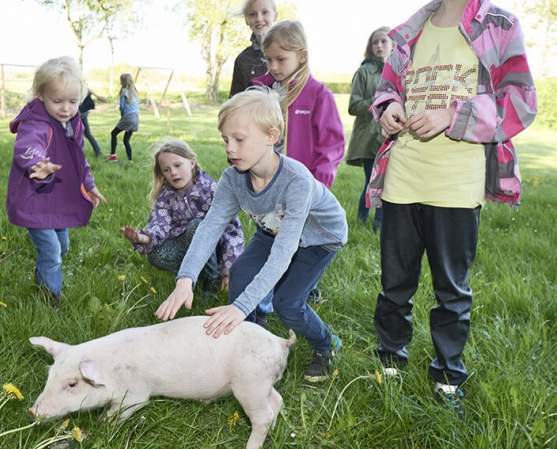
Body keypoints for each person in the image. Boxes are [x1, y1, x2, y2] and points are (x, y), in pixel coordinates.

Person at [367, 0, 536, 417]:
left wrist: (452, 115)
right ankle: (389, 363)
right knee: (394, 285)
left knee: (451, 292)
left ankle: (447, 378)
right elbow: (386, 89)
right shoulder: (410, 28)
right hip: (403, 175)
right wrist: (389, 109)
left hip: (457, 185)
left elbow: (521, 101)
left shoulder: (498, 25)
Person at [156, 88, 349, 383]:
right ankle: (249, 340)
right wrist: (186, 279)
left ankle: (326, 345)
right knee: (242, 271)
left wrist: (240, 306)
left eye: (239, 139)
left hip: (318, 238)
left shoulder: (296, 182)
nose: (230, 148)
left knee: (288, 303)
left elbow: (283, 253)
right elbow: (210, 227)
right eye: (226, 140)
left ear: (271, 136)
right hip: (273, 229)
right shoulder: (233, 179)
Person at [252, 19, 346, 305]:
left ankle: (301, 288)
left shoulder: (318, 94)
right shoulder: (260, 91)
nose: (274, 66)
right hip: (268, 185)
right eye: (269, 59)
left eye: (281, 59)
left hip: (300, 188)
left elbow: (331, 146)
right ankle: (266, 294)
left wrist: (316, 186)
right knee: (267, 238)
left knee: (298, 242)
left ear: (301, 56)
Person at [6, 56, 107, 308]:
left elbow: (79, 159)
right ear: (40, 95)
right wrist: (38, 164)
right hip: (34, 200)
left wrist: (89, 185)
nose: (66, 108)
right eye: (58, 101)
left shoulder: (73, 124)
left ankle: (43, 274)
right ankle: (50, 300)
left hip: (59, 199)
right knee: (51, 250)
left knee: (62, 247)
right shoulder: (35, 123)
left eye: (73, 102)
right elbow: (27, 147)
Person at [120, 139, 245, 294]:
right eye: (166, 169)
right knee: (155, 255)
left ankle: (211, 279)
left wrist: (228, 271)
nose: (172, 172)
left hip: (215, 247)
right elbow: (159, 225)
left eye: (177, 165)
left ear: (192, 163)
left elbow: (231, 229)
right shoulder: (166, 197)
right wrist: (141, 238)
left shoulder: (212, 190)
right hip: (186, 246)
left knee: (197, 226)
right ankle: (194, 274)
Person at [345, 26, 394, 231]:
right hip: (368, 138)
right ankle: (364, 221)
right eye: (375, 42)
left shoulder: (400, 71)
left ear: (393, 45)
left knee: (388, 183)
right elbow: (353, 106)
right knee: (373, 181)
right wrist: (377, 100)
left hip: (391, 138)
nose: (379, 45)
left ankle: (379, 224)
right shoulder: (364, 71)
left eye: (384, 41)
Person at [229, 0, 278, 97]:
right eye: (252, 14)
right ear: (246, 20)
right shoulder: (242, 60)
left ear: (275, 16)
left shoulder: (289, 51)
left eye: (265, 12)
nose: (259, 19)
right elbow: (234, 101)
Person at [107, 73, 139, 163]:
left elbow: (122, 106)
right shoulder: (134, 91)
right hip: (136, 117)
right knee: (126, 140)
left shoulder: (123, 91)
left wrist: (122, 117)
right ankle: (130, 160)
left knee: (113, 133)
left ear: (123, 81)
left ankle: (112, 156)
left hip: (128, 117)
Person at [79, 88, 106, 157]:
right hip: (85, 107)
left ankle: (76, 153)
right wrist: (97, 96)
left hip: (81, 109)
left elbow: (86, 88)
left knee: (72, 133)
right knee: (87, 133)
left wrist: (97, 96)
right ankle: (98, 151)